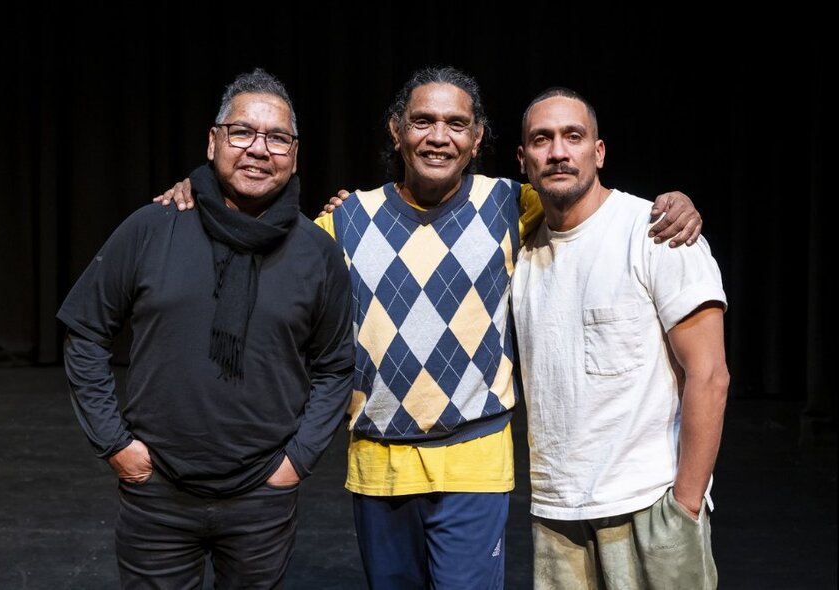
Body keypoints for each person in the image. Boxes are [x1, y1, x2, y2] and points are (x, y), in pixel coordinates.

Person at [155, 66, 703, 589]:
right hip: (378, 464)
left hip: (474, 464)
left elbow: (589, 203)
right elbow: (263, 232)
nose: (439, 137)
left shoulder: (512, 204)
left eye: (456, 124)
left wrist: (674, 204)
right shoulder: (347, 220)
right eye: (423, 121)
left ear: (477, 137)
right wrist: (202, 190)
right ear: (396, 131)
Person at [56, 68, 355, 589]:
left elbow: (335, 367)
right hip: (157, 493)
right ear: (214, 140)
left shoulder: (317, 252)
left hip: (263, 497)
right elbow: (85, 331)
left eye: (277, 138)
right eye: (242, 132)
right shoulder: (153, 226)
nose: (259, 149)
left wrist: (296, 462)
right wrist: (115, 445)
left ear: (295, 153)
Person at [512, 86, 729, 589]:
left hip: (650, 507)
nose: (559, 151)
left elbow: (710, 374)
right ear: (523, 159)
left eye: (573, 136)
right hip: (556, 515)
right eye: (542, 140)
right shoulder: (520, 252)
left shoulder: (655, 232)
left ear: (598, 151)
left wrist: (685, 506)